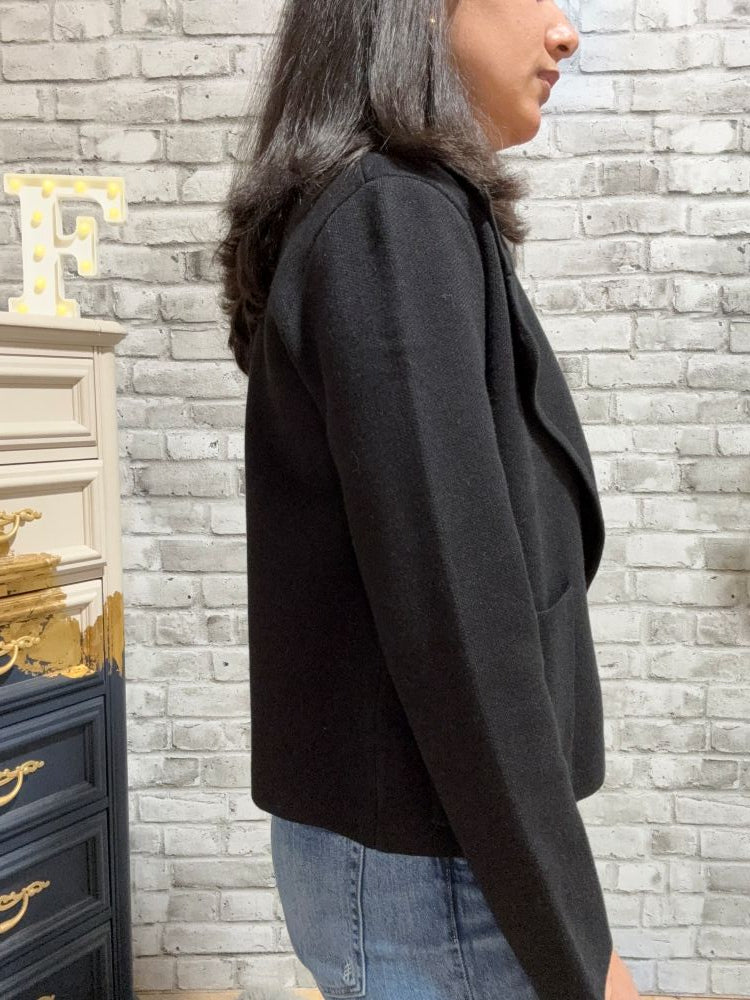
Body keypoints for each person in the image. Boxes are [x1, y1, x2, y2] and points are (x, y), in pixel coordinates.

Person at [216, 2, 642, 999]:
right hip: (435, 866)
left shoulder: (396, 210)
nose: (566, 31)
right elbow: (460, 622)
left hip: (423, 851)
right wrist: (581, 952)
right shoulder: (392, 219)